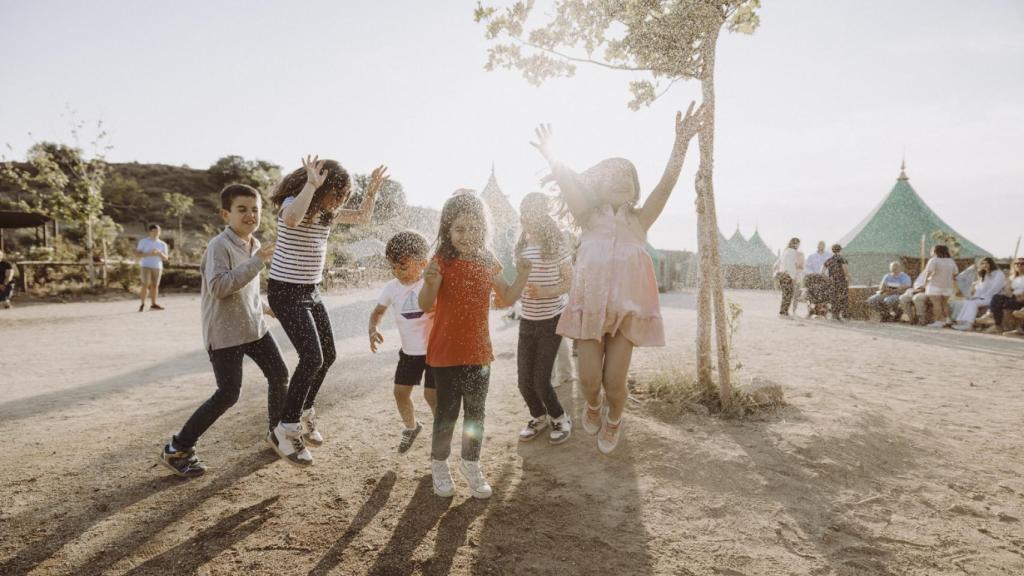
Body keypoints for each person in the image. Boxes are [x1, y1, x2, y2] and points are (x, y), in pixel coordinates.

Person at [532, 101, 704, 454]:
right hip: (591, 309)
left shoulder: (640, 221)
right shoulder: (587, 217)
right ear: (598, 186)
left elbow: (667, 183)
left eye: (629, 176)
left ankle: (614, 417)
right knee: (590, 380)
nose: (623, 180)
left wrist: (681, 144)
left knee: (614, 383)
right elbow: (567, 184)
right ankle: (593, 406)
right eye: (614, 176)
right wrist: (553, 158)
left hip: (625, 312)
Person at [266, 156, 387, 466]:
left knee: (328, 355)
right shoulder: (295, 203)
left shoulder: (326, 215)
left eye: (343, 196)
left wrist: (371, 190)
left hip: (310, 291)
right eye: (337, 194)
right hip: (286, 292)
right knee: (312, 358)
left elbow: (361, 217)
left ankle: (304, 411)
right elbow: (292, 220)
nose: (339, 201)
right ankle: (286, 427)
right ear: (320, 186)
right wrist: (310, 184)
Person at [159, 184, 285, 477]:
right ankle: (178, 448)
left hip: (255, 328)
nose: (250, 215)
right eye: (242, 210)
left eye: (255, 210)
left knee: (279, 374)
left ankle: (278, 433)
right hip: (225, 334)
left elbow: (247, 291)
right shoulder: (219, 246)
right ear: (225, 213)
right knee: (228, 394)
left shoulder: (254, 244)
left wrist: (267, 309)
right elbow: (219, 288)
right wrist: (257, 263)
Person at [418, 192, 532, 499]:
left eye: (473, 228)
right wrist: (429, 283)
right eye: (459, 229)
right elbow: (426, 305)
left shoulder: (488, 260)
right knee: (447, 413)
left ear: (484, 228)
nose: (467, 235)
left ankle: (471, 464)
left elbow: (506, 297)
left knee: (476, 413)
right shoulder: (441, 261)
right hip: (445, 352)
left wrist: (523, 274)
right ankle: (439, 464)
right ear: (447, 231)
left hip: (479, 352)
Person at [368, 230, 437, 454]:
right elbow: (377, 311)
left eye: (404, 267)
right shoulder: (391, 288)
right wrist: (373, 328)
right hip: (409, 353)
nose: (398, 273)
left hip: (435, 352)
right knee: (400, 393)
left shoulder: (430, 284)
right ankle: (411, 427)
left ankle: (441, 432)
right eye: (393, 268)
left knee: (432, 396)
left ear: (422, 263)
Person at [514, 192, 575, 445]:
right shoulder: (521, 247)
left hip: (551, 320)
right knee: (523, 381)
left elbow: (569, 282)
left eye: (532, 215)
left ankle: (560, 418)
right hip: (527, 320)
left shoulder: (557, 247)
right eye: (524, 215)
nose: (526, 220)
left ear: (543, 217)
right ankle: (539, 416)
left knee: (541, 380)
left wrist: (545, 292)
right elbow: (520, 282)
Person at [952, 257, 1005, 331]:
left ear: (991, 264)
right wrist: (975, 296)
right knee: (969, 301)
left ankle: (969, 324)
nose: (985, 265)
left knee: (973, 303)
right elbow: (979, 289)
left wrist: (981, 297)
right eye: (982, 263)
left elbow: (996, 288)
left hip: (993, 298)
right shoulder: (984, 275)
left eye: (987, 263)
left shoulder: (998, 273)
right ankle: (961, 322)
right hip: (983, 297)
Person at [922, 244, 958, 328]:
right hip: (948, 286)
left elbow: (929, 272)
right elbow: (955, 274)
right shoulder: (951, 261)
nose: (930, 252)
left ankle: (938, 322)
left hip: (934, 285)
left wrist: (925, 282)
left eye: (932, 250)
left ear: (935, 251)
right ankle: (948, 320)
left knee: (936, 304)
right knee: (945, 303)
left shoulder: (933, 260)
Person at [135, 224, 169, 311]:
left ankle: (153, 304)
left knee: (155, 285)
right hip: (145, 265)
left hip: (157, 266)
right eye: (154, 231)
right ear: (150, 232)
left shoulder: (162, 244)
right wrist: (149, 254)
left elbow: (166, 258)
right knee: (145, 284)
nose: (156, 233)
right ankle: (142, 304)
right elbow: (137, 254)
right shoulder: (143, 242)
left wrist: (160, 254)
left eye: (158, 231)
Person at [987, 257, 1024, 335]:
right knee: (996, 297)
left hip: (1022, 300)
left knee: (1003, 303)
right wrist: (1010, 290)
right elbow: (1008, 291)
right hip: (1013, 298)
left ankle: (1013, 328)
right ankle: (997, 324)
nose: (1019, 265)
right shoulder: (1012, 278)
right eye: (1017, 263)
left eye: (1022, 264)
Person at [774, 238, 802, 318]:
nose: (799, 246)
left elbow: (778, 264)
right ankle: (784, 312)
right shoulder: (793, 252)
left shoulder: (785, 251)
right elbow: (791, 266)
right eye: (798, 244)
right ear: (795, 244)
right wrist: (793, 277)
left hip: (781, 274)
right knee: (789, 294)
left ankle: (783, 311)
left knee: (785, 294)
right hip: (787, 275)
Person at [822, 244, 850, 321]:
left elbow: (822, 272)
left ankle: (835, 315)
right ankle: (844, 315)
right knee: (843, 298)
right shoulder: (842, 259)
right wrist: (848, 277)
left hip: (833, 281)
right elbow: (845, 271)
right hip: (841, 281)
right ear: (840, 250)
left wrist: (828, 279)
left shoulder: (829, 260)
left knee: (834, 298)